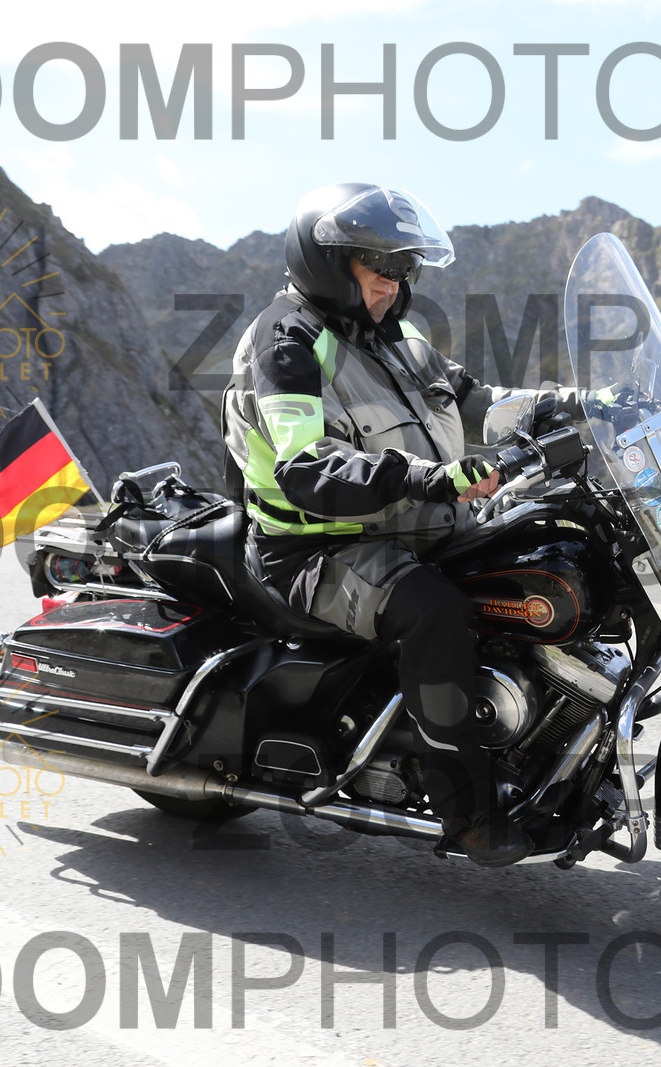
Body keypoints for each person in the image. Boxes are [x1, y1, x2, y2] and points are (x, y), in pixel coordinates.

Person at [221, 183, 558, 866]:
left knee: (541, 548)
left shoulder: (399, 336)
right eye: (381, 266)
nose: (395, 283)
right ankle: (467, 806)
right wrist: (431, 478)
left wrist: (581, 406)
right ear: (328, 263)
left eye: (405, 268)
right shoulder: (286, 342)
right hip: (317, 550)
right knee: (434, 610)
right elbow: (307, 467)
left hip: (416, 526)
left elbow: (478, 401)